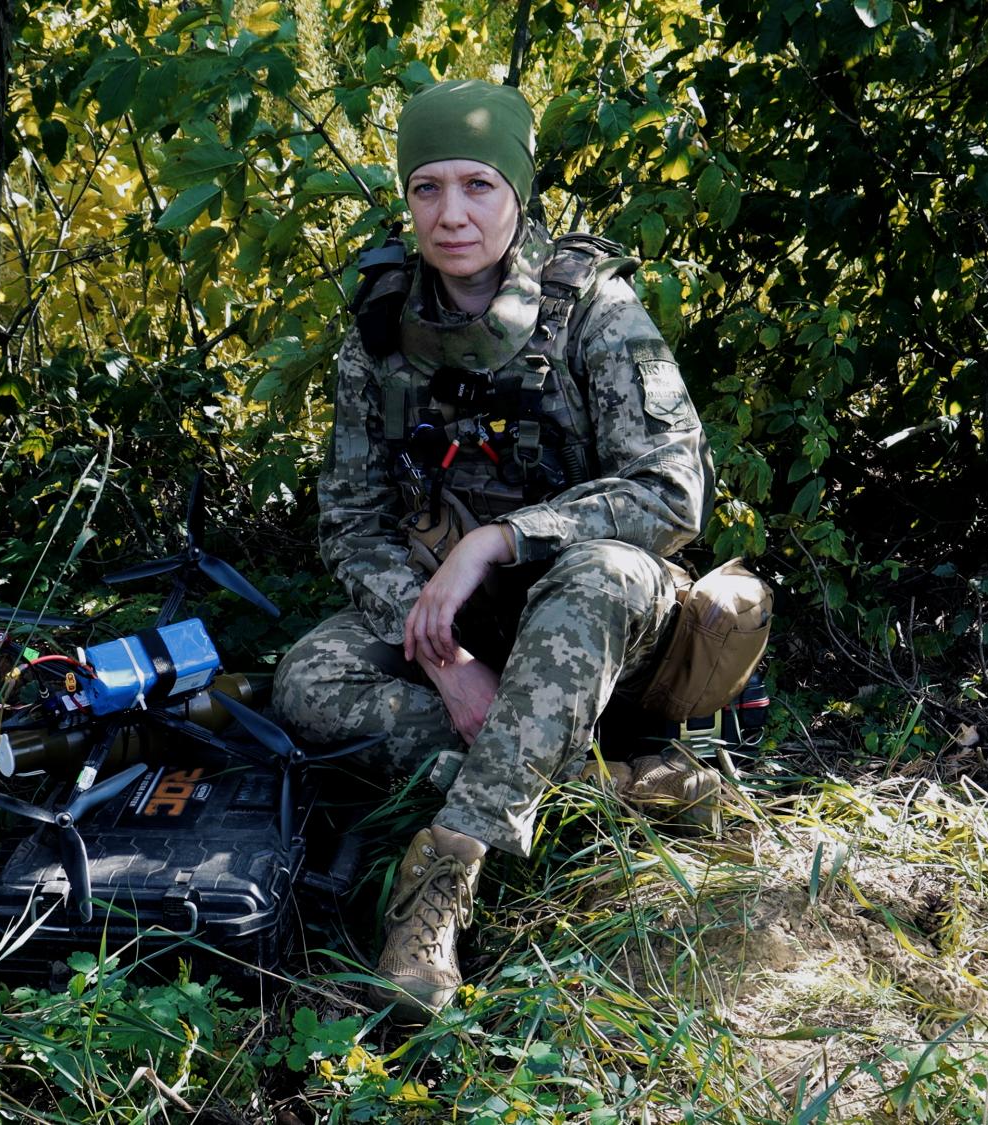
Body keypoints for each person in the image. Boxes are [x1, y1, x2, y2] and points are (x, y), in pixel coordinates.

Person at [272, 78, 717, 1021]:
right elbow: (351, 522)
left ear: (518, 191)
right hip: (466, 632)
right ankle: (602, 784)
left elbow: (674, 491)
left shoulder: (594, 310)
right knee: (307, 680)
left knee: (600, 572)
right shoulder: (378, 336)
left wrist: (503, 538)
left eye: (478, 184)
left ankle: (441, 886)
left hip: (598, 619)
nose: (453, 214)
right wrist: (442, 659)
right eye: (428, 187)